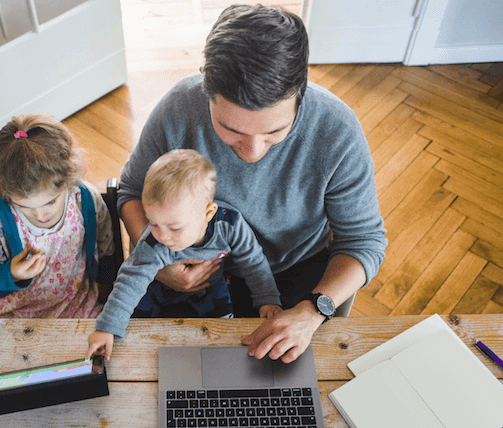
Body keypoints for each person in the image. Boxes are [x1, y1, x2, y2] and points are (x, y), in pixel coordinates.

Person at [116, 4, 387, 362]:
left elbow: (364, 241)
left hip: (294, 276)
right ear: (204, 83)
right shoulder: (179, 108)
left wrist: (314, 309)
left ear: (300, 91)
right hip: (192, 266)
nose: (253, 150)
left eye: (275, 131)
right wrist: (158, 261)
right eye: (231, 130)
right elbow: (131, 191)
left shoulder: (337, 131)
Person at [86, 149, 282, 359]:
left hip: (210, 286)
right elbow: (130, 281)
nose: (162, 236)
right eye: (154, 223)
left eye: (174, 227)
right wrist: (107, 328)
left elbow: (252, 260)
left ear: (208, 213)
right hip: (154, 288)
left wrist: (267, 299)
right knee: (134, 332)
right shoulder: (153, 240)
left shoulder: (230, 224)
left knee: (226, 335)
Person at [0, 113, 116, 318]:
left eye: (51, 201)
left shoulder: (85, 199)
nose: (40, 214)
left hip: (78, 303)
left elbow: (106, 246)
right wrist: (11, 272)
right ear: (3, 191)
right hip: (16, 311)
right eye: (24, 206)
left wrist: (109, 288)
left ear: (69, 179)